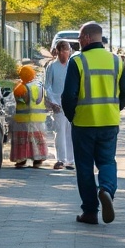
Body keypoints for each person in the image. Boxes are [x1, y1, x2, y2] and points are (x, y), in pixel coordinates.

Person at [62, 22, 125, 225]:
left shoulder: (78, 61)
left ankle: (90, 212)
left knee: (85, 167)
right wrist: (113, 109)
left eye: (79, 37)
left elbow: (68, 96)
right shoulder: (115, 60)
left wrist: (73, 117)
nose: (78, 41)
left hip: (84, 124)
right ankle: (106, 190)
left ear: (86, 37)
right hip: (109, 123)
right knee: (107, 161)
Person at [10, 64, 49, 168]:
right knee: (36, 141)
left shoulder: (21, 88)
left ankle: (21, 160)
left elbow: (20, 101)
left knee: (24, 141)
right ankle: (38, 160)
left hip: (24, 120)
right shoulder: (40, 85)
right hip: (39, 119)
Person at [43, 40, 74, 170]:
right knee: (60, 131)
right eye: (66, 49)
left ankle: (71, 160)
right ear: (59, 51)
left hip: (72, 104)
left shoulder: (72, 65)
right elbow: (48, 86)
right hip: (58, 104)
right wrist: (53, 103)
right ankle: (61, 159)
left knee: (71, 132)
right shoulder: (52, 66)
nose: (68, 52)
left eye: (69, 49)